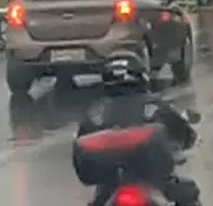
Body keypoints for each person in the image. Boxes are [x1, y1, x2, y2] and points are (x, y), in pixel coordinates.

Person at [74, 51, 200, 206]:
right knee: (188, 194)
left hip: (112, 185)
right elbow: (183, 132)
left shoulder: (95, 112)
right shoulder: (154, 105)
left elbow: (82, 142)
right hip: (151, 181)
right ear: (141, 75)